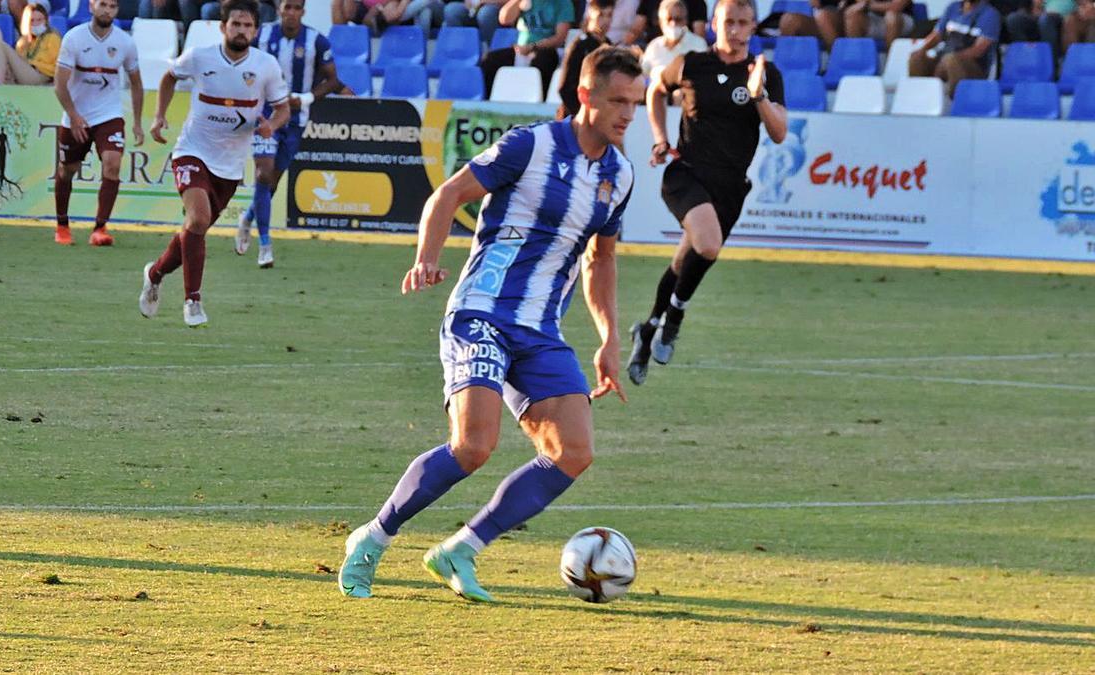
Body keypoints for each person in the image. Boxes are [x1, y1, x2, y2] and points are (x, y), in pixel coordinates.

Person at [336, 45, 641, 603]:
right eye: (617, 101)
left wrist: (609, 338)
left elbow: (602, 260)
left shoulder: (619, 176)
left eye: (635, 103)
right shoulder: (531, 144)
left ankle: (463, 549)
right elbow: (450, 193)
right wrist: (425, 257)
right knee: (473, 445)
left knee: (573, 451)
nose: (627, 114)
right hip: (482, 311)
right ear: (585, 96)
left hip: (541, 330)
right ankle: (373, 538)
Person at [627, 0, 786, 385]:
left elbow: (779, 133)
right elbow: (654, 91)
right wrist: (661, 138)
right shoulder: (692, 63)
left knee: (689, 257)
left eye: (743, 22)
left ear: (752, 27)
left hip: (731, 185)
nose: (735, 29)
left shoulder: (763, 73)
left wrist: (758, 94)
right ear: (714, 24)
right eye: (728, 21)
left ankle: (648, 329)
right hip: (687, 174)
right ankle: (676, 315)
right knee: (708, 244)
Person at [140, 0, 288, 328]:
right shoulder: (199, 56)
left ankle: (154, 275)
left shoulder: (266, 66)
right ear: (222, 27)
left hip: (230, 166)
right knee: (198, 218)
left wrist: (271, 126)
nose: (241, 30)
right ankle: (192, 301)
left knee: (194, 231)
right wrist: (159, 116)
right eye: (236, 24)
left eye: (248, 26)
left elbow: (283, 109)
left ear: (256, 30)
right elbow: (168, 77)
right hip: (192, 151)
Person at [235, 0, 343, 269]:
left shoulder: (316, 41)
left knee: (273, 179)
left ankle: (248, 218)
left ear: (303, 11)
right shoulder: (261, 35)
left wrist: (306, 97)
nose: (291, 13)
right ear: (279, 9)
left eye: (296, 7)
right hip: (264, 117)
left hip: (296, 119)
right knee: (263, 173)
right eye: (287, 7)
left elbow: (332, 80)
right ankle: (265, 245)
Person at [52, 0, 144, 246]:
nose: (107, 10)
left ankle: (100, 229)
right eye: (102, 4)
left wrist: (136, 122)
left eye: (112, 6)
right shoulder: (74, 38)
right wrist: (73, 116)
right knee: (67, 170)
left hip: (109, 114)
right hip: (76, 115)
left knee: (112, 164)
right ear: (92, 6)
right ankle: (62, 225)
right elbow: (59, 84)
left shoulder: (125, 42)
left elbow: (136, 83)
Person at [480, 0, 574, 100]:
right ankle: (487, 101)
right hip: (521, 50)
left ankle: (541, 101)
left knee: (543, 60)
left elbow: (559, 38)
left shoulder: (563, 3)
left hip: (547, 50)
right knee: (490, 60)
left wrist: (533, 47)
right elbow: (505, 19)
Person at [907, 0, 1000, 97]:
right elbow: (937, 34)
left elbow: (978, 51)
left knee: (951, 61)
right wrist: (922, 50)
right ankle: (918, 98)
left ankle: (955, 101)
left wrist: (949, 59)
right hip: (944, 57)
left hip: (975, 68)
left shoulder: (990, 14)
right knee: (916, 58)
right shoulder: (953, 7)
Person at [555, 0, 614, 118]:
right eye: (600, 15)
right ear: (590, 15)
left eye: (609, 15)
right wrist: (579, 114)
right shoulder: (580, 45)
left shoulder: (609, 45)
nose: (605, 21)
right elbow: (564, 87)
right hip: (574, 116)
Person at [0, 2, 59, 84]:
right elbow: (18, 64)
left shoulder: (52, 38)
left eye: (39, 20)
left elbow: (58, 66)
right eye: (32, 20)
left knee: (0, 45)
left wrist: (34, 64)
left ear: (45, 21)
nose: (35, 24)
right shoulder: (23, 41)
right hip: (21, 75)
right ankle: (1, 80)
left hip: (40, 75)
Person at [640, 0, 706, 81]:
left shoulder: (698, 45)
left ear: (685, 20)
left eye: (678, 19)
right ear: (661, 22)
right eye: (669, 19)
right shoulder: (654, 46)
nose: (673, 24)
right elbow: (643, 73)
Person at [842, 0, 914, 48]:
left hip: (901, 18)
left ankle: (891, 58)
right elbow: (861, 2)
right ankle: (857, 57)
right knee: (852, 14)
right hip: (873, 16)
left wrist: (869, 5)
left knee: (891, 16)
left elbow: (897, 7)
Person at [631, 0, 707, 43]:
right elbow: (635, 30)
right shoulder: (649, 1)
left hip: (686, 53)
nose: (673, 23)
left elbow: (699, 35)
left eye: (678, 19)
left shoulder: (697, 2)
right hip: (655, 51)